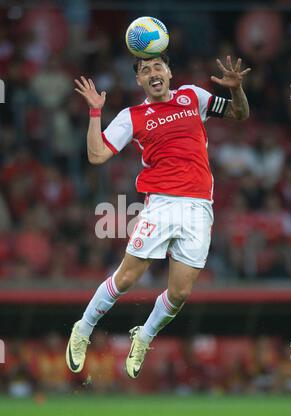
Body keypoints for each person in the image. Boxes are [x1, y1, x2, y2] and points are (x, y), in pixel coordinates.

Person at [66, 53, 250, 378]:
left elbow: (239, 113)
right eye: (145, 70)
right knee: (125, 278)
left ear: (169, 72)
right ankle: (83, 329)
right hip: (162, 204)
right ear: (138, 81)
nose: (153, 73)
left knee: (179, 293)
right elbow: (97, 155)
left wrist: (236, 89)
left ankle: (145, 335)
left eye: (158, 67)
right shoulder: (132, 116)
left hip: (199, 208)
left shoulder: (193, 96)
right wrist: (95, 111)